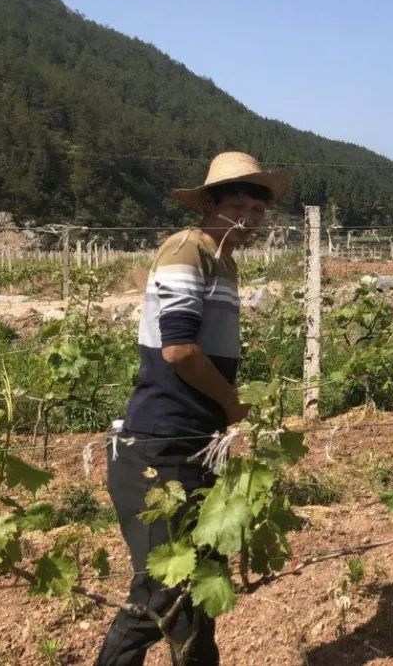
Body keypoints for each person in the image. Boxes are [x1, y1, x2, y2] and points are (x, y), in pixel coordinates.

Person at [97, 152, 290, 666]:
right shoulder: (188, 251)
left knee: (200, 584)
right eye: (238, 207)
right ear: (209, 204)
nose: (249, 219)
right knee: (162, 590)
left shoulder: (222, 260)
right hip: (161, 445)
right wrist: (232, 405)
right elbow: (179, 350)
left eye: (257, 210)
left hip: (195, 442)